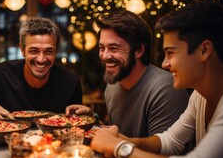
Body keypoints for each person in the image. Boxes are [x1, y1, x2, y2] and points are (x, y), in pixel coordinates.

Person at [90, 1, 223, 158]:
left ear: (204, 51)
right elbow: (170, 141)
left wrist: (119, 147)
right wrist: (126, 139)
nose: (164, 63)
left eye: (171, 53)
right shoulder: (200, 97)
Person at [66, 9, 189, 138]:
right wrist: (92, 120)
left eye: (114, 48)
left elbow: (161, 155)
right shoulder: (112, 87)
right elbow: (118, 134)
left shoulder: (165, 88)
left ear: (139, 50)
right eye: (102, 48)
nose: (105, 56)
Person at [0, 17, 82, 113]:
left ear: (56, 52)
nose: (41, 59)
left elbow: (76, 124)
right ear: (22, 50)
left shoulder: (71, 83)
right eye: (34, 51)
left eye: (48, 52)